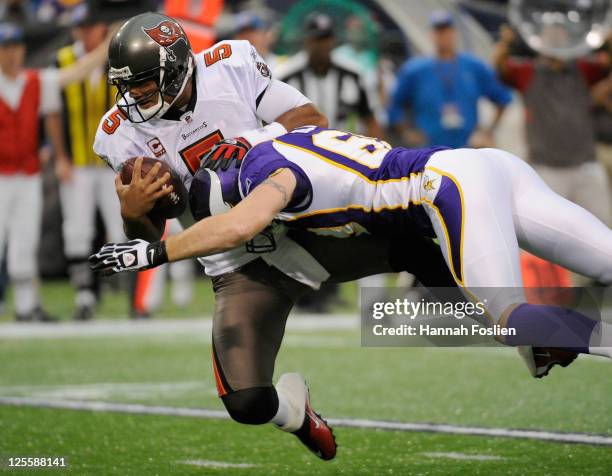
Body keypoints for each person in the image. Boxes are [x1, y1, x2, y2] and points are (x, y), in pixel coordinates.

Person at [90, 12, 483, 461]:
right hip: (238, 264)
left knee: (414, 245)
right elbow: (148, 231)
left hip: (299, 224)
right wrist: (132, 212)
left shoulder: (230, 64)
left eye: (144, 82)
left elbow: (311, 118)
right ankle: (296, 414)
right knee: (247, 402)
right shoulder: (117, 134)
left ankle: (513, 325)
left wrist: (250, 144)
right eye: (127, 84)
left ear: (178, 67)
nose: (133, 95)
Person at [91, 126, 612, 453]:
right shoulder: (274, 145)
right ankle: (547, 340)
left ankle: (568, 338)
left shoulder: (261, 177)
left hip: (446, 188)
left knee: (509, 319)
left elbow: (238, 227)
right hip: (488, 164)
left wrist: (153, 252)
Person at [493, 24, 611, 229]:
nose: (556, 41)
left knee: (605, 229)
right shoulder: (529, 71)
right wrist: (505, 42)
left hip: (585, 165)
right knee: (546, 234)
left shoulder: (581, 68)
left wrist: (607, 39)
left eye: (560, 35)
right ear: (540, 42)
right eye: (550, 35)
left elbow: (607, 63)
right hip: (546, 169)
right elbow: (500, 69)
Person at [55, 4, 126, 320]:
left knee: (120, 226)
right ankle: (85, 294)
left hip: (112, 161)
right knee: (77, 228)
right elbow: (53, 112)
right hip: (79, 160)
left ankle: (124, 293)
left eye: (92, 26)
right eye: (82, 27)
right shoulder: (65, 59)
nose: (87, 32)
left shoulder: (119, 58)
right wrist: (59, 155)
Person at [388, 10, 512, 149]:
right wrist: (406, 132)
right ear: (431, 34)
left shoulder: (473, 66)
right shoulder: (415, 70)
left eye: (447, 30)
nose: (443, 36)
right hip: (428, 152)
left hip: (467, 148)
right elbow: (394, 104)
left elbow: (503, 98)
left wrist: (487, 132)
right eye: (439, 31)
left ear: (454, 33)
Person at [276, 12, 383, 138]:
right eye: (316, 40)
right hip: (300, 151)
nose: (321, 45)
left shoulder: (353, 74)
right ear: (307, 41)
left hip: (344, 151)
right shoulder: (286, 75)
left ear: (333, 40)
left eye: (325, 39)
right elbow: (273, 122)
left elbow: (371, 120)